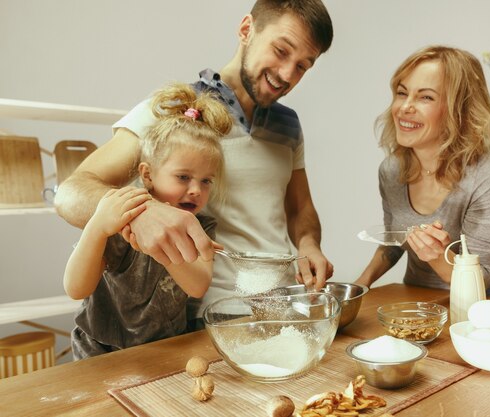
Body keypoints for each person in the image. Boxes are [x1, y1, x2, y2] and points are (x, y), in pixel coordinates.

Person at [55, 0, 335, 327]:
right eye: (281, 51)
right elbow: (71, 193)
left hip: (286, 307)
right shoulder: (179, 108)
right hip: (213, 317)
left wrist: (309, 243)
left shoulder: (289, 125)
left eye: (303, 65)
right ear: (247, 30)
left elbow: (300, 210)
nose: (288, 74)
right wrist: (142, 212)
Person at [64, 83, 232, 359]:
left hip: (164, 348)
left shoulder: (201, 227)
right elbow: (76, 288)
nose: (195, 190)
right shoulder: (123, 216)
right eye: (183, 177)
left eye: (206, 181)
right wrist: (96, 227)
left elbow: (197, 285)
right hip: (100, 350)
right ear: (148, 174)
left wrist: (162, 248)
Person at [355, 45, 490, 296]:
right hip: (417, 297)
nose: (405, 107)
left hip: (480, 302)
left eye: (425, 97)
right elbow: (394, 244)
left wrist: (440, 257)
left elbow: (483, 276)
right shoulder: (391, 170)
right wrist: (358, 286)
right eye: (401, 93)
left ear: (459, 110)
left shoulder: (489, 173)